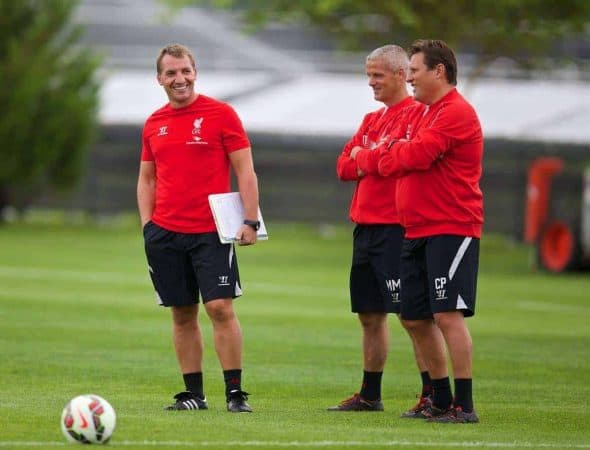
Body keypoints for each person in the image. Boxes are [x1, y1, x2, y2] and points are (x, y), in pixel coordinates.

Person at [352, 39, 483, 423]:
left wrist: (370, 157)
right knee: (412, 316)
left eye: (414, 72)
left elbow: (414, 155)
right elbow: (399, 153)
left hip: (450, 226)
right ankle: (439, 399)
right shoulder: (427, 113)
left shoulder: (454, 112)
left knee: (447, 315)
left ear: (438, 71)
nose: (409, 80)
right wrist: (389, 154)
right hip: (416, 228)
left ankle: (465, 405)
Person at [137, 43, 261, 413]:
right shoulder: (153, 123)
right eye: (171, 73)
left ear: (195, 72)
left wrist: (250, 220)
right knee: (181, 312)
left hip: (211, 232)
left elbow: (245, 171)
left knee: (220, 307)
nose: (180, 79)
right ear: (160, 78)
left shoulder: (221, 114)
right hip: (164, 234)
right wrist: (148, 226)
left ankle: (235, 393)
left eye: (185, 71)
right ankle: (193, 394)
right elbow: (146, 179)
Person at [329, 44, 445, 415]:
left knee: (412, 317)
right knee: (369, 315)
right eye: (369, 76)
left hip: (397, 229)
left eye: (377, 75)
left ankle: (431, 393)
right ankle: (370, 395)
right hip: (364, 228)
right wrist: (372, 160)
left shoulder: (418, 116)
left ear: (400, 74)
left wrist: (368, 159)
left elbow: (395, 163)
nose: (371, 83)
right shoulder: (371, 120)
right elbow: (344, 167)